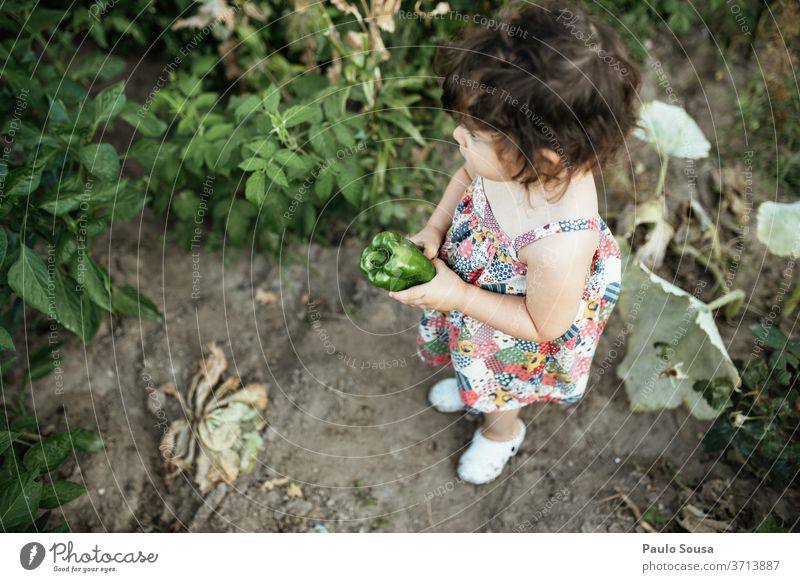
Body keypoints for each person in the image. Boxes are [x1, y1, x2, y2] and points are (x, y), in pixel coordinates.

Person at [388, 0, 640, 485]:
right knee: (471, 365)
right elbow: (467, 177)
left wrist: (457, 296)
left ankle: (500, 432)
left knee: (498, 388)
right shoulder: (513, 164)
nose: (458, 136)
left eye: (476, 135)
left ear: (543, 159)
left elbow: (541, 325)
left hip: (512, 332)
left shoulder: (560, 245)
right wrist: (434, 230)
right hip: (474, 292)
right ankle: (469, 384)